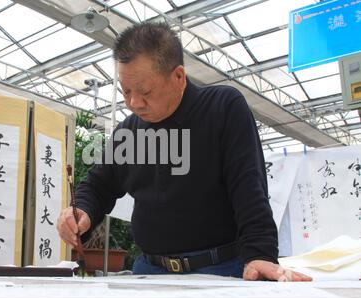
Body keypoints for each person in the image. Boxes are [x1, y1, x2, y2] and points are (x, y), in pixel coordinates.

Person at [57, 22, 311, 281]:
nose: (134, 103)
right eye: (126, 91)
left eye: (145, 92)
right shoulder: (128, 132)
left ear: (178, 77)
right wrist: (82, 211)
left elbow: (249, 189)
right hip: (149, 271)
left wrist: (260, 254)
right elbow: (99, 185)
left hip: (220, 269)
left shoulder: (222, 109)